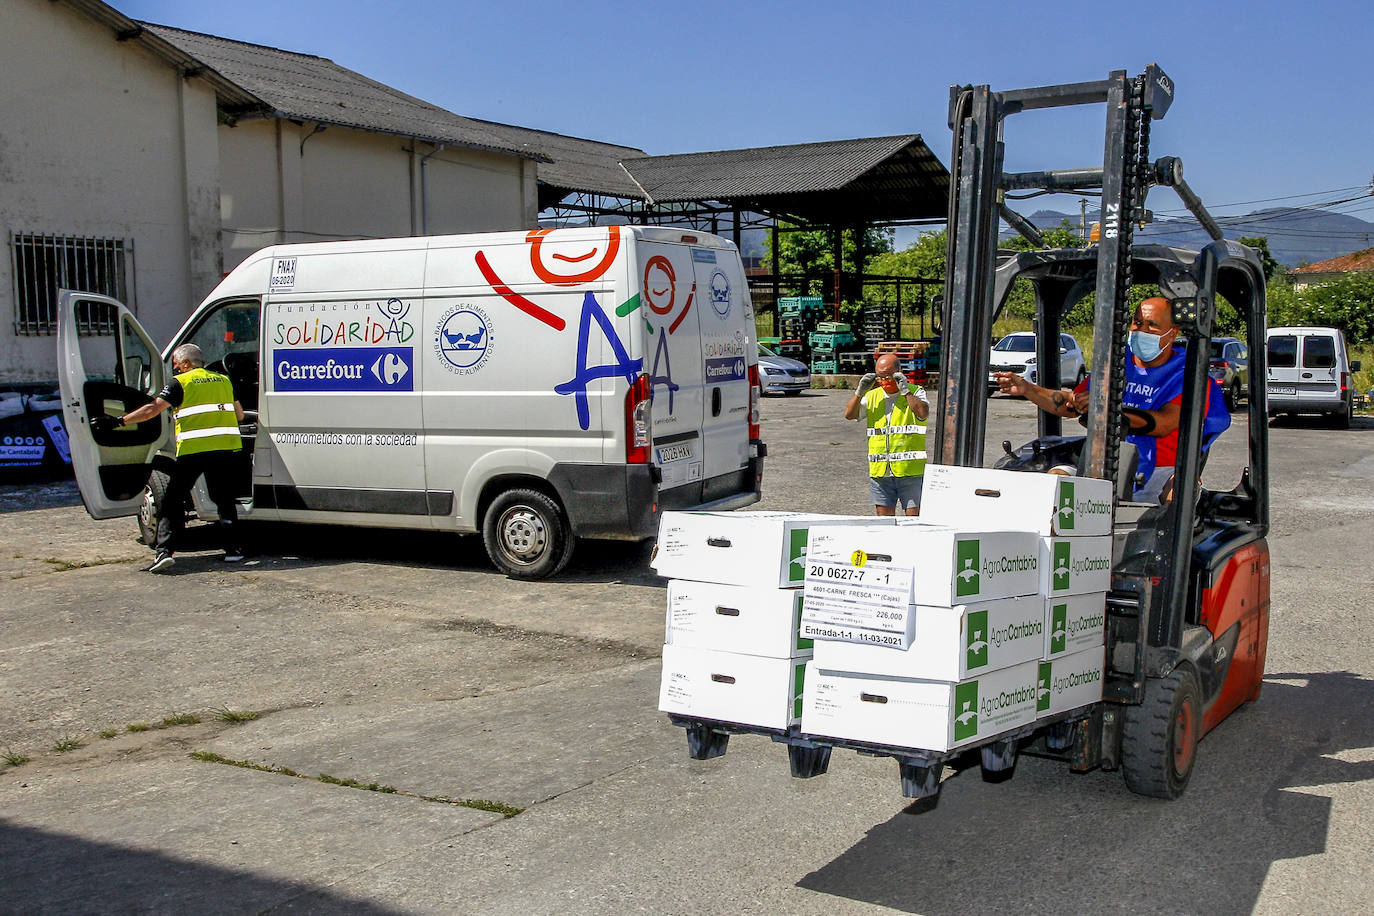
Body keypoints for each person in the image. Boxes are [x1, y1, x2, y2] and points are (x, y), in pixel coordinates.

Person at [994, 296, 1230, 502]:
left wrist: (1109, 410)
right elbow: (1072, 403)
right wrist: (1027, 388)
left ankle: (1168, 552)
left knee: (1176, 491)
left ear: (1172, 333)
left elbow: (1164, 423)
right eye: (1137, 322)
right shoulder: (1116, 364)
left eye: (1152, 326)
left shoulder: (1188, 374)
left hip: (1162, 470)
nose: (1141, 331)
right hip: (1102, 462)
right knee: (1055, 481)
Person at [93, 343, 246, 572]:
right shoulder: (224, 380)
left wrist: (119, 421)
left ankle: (164, 551)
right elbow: (240, 415)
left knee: (172, 499)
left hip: (194, 450)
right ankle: (233, 550)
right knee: (223, 498)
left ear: (186, 363)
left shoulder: (180, 383)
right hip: (225, 448)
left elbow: (151, 410)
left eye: (176, 364)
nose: (175, 369)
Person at [844, 352, 930, 516]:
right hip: (881, 472)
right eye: (880, 377)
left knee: (914, 523)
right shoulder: (872, 396)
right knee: (884, 524)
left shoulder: (915, 392)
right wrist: (859, 392)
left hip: (910, 471)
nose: (885, 381)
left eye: (889, 377)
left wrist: (905, 391)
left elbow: (922, 413)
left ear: (899, 373)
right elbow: (849, 414)